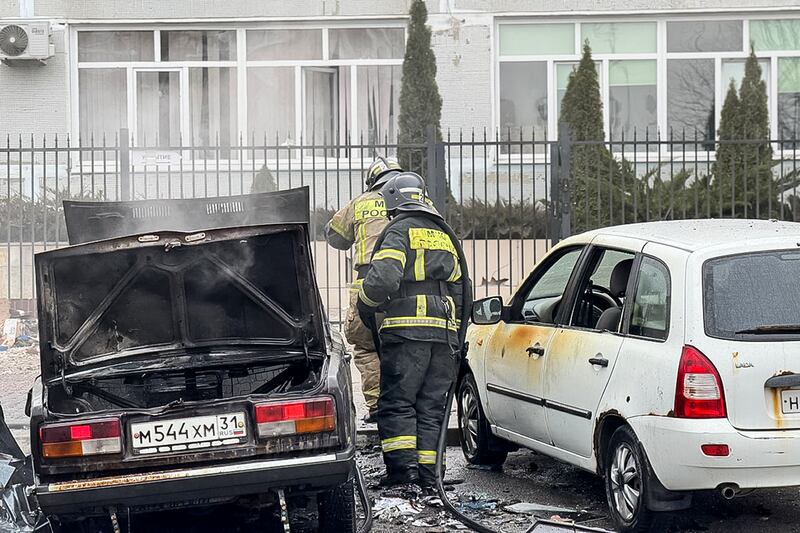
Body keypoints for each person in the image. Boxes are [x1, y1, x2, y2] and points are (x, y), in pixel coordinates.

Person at [357, 172, 468, 489]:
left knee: (398, 404)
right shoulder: (444, 235)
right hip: (444, 337)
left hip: (407, 335)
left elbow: (383, 280)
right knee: (431, 408)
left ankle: (405, 476)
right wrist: (456, 337)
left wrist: (366, 304)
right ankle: (430, 478)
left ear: (393, 202)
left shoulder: (398, 230)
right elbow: (461, 290)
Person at [324, 156, 403, 423]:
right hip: (406, 288)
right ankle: (405, 403)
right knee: (405, 344)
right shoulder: (414, 201)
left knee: (367, 346)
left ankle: (379, 407)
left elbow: (334, 234)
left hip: (366, 289)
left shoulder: (361, 202)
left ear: (372, 180)